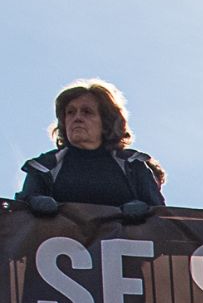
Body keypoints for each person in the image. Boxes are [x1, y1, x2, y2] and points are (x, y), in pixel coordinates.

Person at [18, 80, 166, 211]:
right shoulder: (45, 166)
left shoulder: (133, 164)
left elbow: (162, 218)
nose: (77, 118)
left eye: (87, 112)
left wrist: (146, 209)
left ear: (106, 122)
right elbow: (20, 213)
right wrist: (32, 201)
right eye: (70, 112)